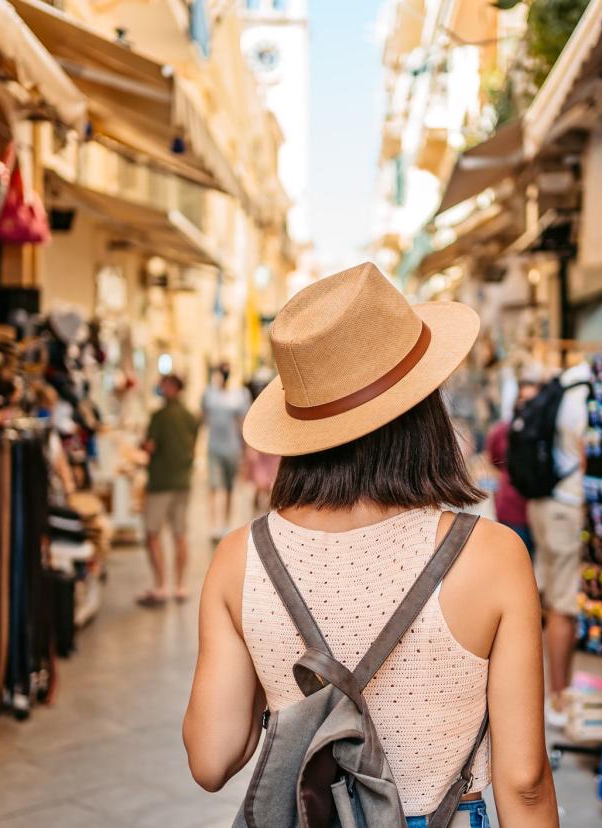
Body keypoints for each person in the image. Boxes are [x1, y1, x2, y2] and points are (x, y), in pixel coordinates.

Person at [183, 263, 557, 826]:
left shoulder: (243, 557)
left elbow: (212, 760)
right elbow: (524, 782)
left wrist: (281, 676)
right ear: (423, 411)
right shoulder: (491, 555)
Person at [526, 358, 591, 731]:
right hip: (567, 508)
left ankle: (555, 692)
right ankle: (558, 698)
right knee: (564, 606)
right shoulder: (582, 399)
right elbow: (585, 456)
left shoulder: (561, 387)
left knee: (551, 601)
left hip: (546, 505)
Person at [139, 374, 199, 605]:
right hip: (183, 481)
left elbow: (150, 446)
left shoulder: (160, 416)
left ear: (170, 387)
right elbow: (193, 442)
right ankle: (180, 585)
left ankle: (161, 585)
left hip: (161, 482)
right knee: (180, 534)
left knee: (152, 533)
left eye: (163, 384)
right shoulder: (189, 415)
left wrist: (142, 445)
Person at [485, 381, 538, 555]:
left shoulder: (544, 432)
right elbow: (493, 459)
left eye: (532, 399)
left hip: (539, 509)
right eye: (522, 398)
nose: (526, 404)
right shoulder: (502, 431)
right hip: (511, 508)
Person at [202, 363, 251, 542]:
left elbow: (242, 422)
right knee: (214, 486)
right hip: (214, 447)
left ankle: (225, 524)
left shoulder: (239, 396)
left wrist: (247, 449)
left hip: (232, 448)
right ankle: (214, 525)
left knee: (229, 487)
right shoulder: (209, 394)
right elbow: (204, 418)